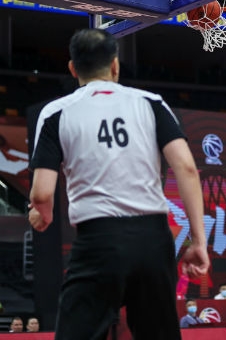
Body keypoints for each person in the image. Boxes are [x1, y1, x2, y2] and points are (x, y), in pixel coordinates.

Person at [27, 28, 210, 340]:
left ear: (72, 69)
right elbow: (187, 168)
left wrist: (41, 215)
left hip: (97, 241)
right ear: (115, 64)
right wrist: (198, 242)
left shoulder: (56, 113)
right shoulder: (151, 103)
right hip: (153, 239)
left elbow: (42, 194)